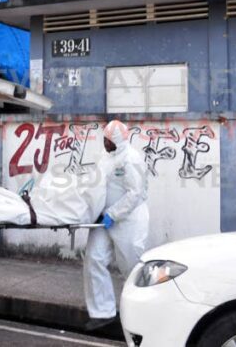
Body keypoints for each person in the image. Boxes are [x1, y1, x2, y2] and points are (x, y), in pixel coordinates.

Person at [84, 119, 149, 329]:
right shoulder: (106, 157)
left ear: (118, 141)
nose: (105, 143)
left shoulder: (132, 159)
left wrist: (113, 213)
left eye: (108, 140)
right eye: (104, 139)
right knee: (94, 258)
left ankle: (142, 313)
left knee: (131, 267)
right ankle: (102, 313)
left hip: (128, 220)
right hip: (104, 220)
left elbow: (135, 194)